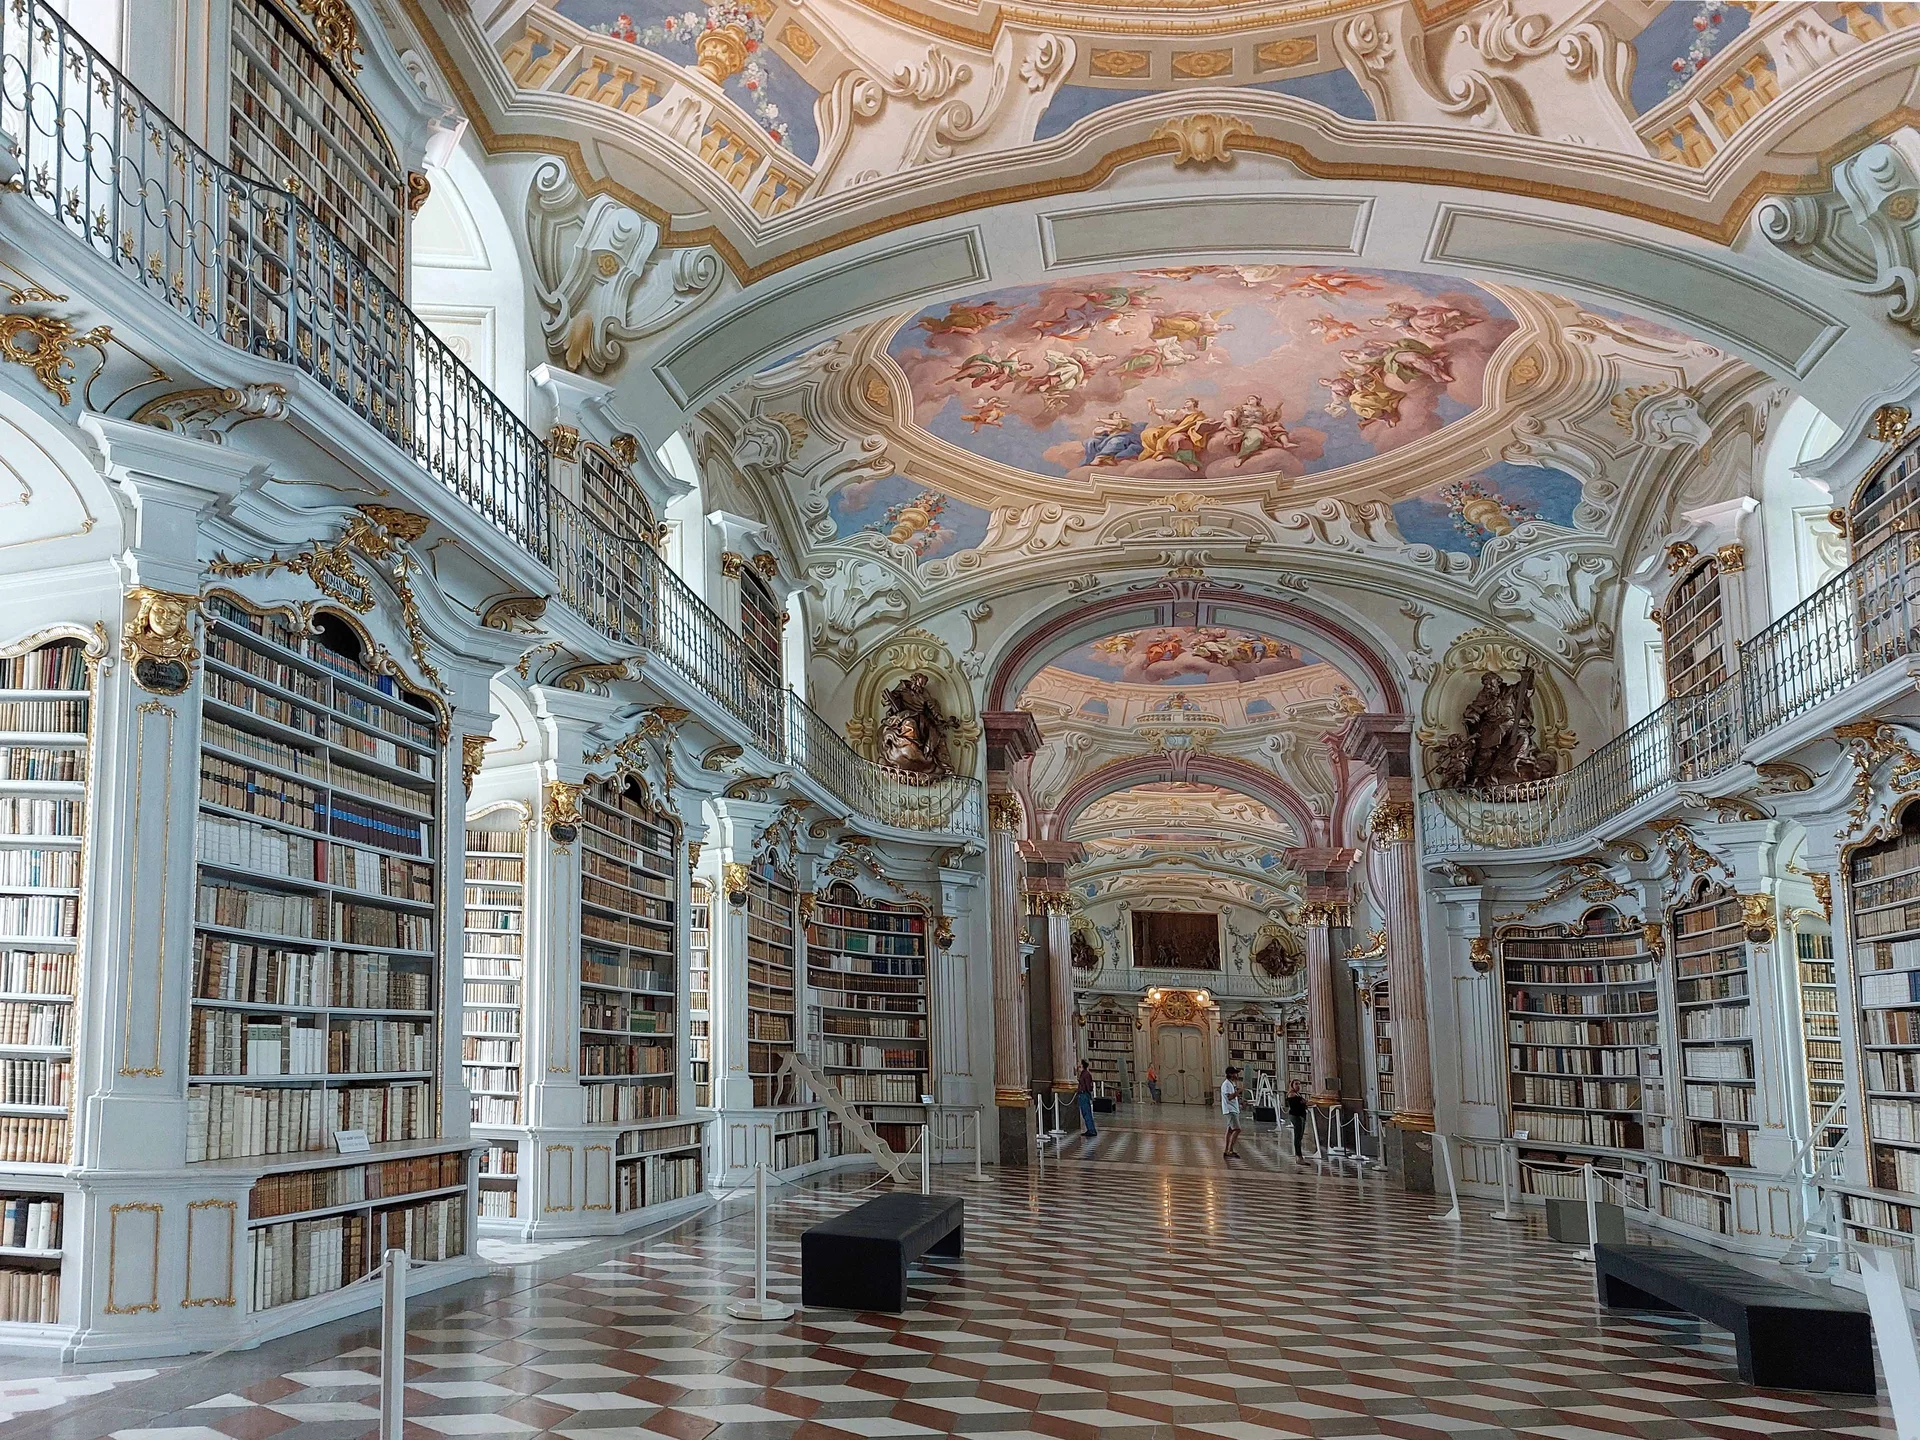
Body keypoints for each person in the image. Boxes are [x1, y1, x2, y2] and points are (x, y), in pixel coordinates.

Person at [1220, 1066, 1243, 1159]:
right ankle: (1230, 1150)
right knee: (1237, 1129)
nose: (1236, 1075)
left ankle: (1227, 1150)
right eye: (1235, 1073)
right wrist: (1239, 1092)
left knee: (1230, 1130)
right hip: (1230, 1110)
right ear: (1230, 1074)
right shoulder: (1226, 1084)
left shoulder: (1230, 1083)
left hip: (1233, 1109)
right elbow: (1229, 1097)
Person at [1285, 1080, 1309, 1159]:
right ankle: (1299, 1156)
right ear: (1292, 1085)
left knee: (1300, 1136)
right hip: (1296, 1116)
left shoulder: (1297, 1094)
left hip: (1300, 1116)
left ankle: (1299, 1155)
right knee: (1298, 1136)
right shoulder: (1292, 1094)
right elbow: (1299, 1104)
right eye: (1296, 1084)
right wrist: (1305, 1103)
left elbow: (1303, 1103)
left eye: (1299, 1084)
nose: (1298, 1086)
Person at [1076, 1060, 1097, 1138]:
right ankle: (1090, 1129)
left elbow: (1088, 1085)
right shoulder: (1083, 1073)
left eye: (1079, 1063)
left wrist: (1086, 1092)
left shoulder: (1086, 1074)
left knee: (1086, 1112)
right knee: (1085, 1113)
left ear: (1081, 1065)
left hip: (1084, 1094)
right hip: (1082, 1094)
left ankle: (1091, 1130)